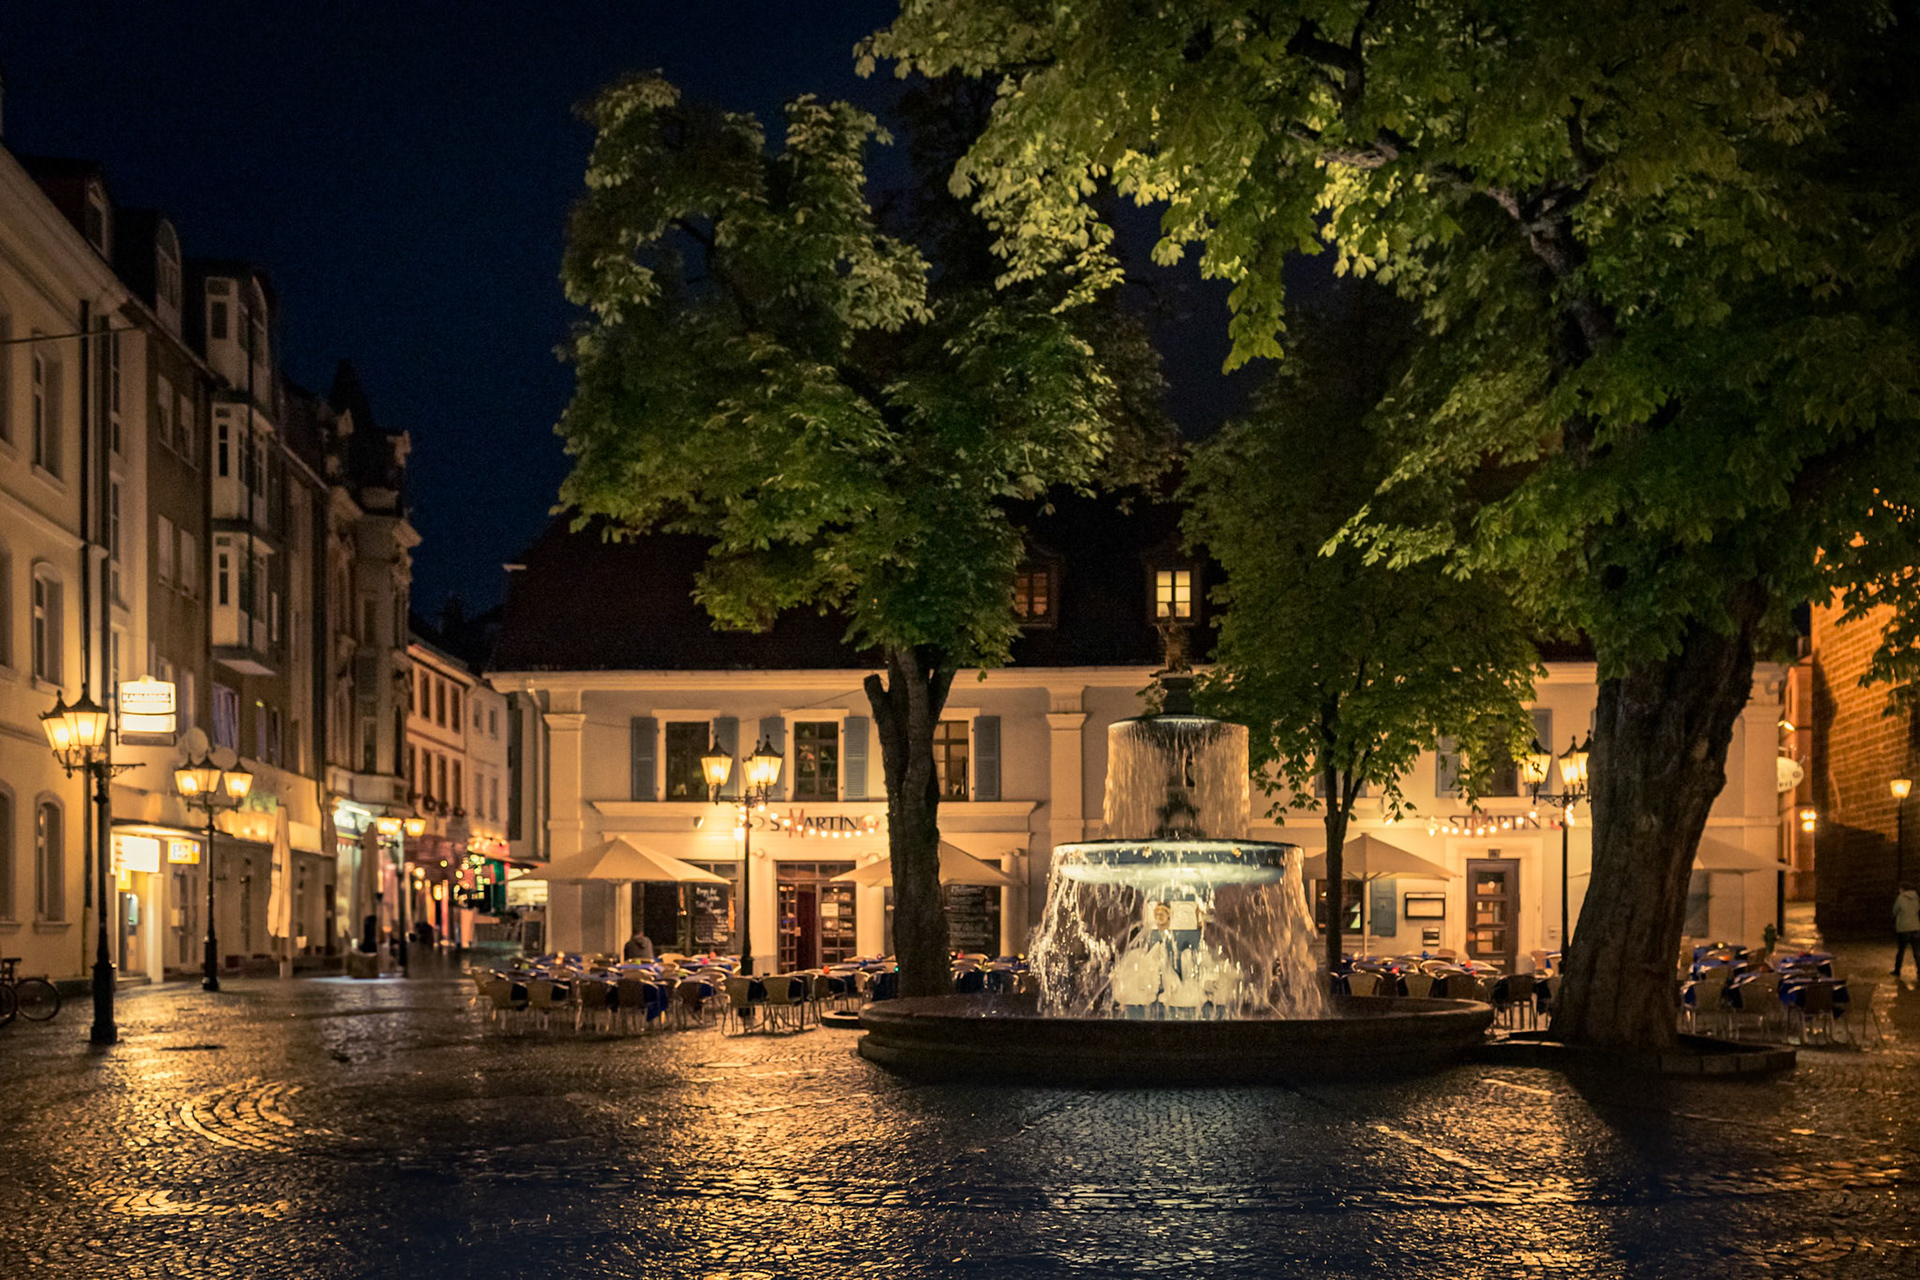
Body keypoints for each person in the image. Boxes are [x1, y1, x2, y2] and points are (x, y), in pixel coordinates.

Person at [1893, 884, 1920, 978]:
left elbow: (1895, 911)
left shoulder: (1900, 898)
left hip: (1903, 928)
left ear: (1902, 889)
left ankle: (1897, 970)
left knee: (1901, 951)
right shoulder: (1916, 898)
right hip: (1916, 927)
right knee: (1917, 951)